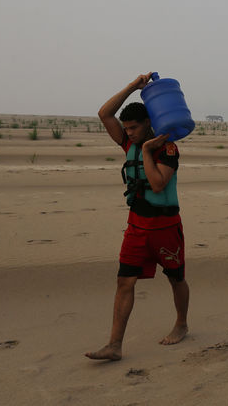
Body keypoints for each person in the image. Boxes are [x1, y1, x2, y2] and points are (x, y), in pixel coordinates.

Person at [86, 73, 189, 361]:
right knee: (124, 281)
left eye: (134, 128)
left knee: (176, 278)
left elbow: (157, 184)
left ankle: (181, 324)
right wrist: (134, 86)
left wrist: (146, 150)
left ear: (148, 124)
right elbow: (105, 113)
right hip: (136, 226)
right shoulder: (127, 143)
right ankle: (115, 345)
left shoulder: (168, 149)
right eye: (126, 128)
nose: (128, 133)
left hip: (166, 227)